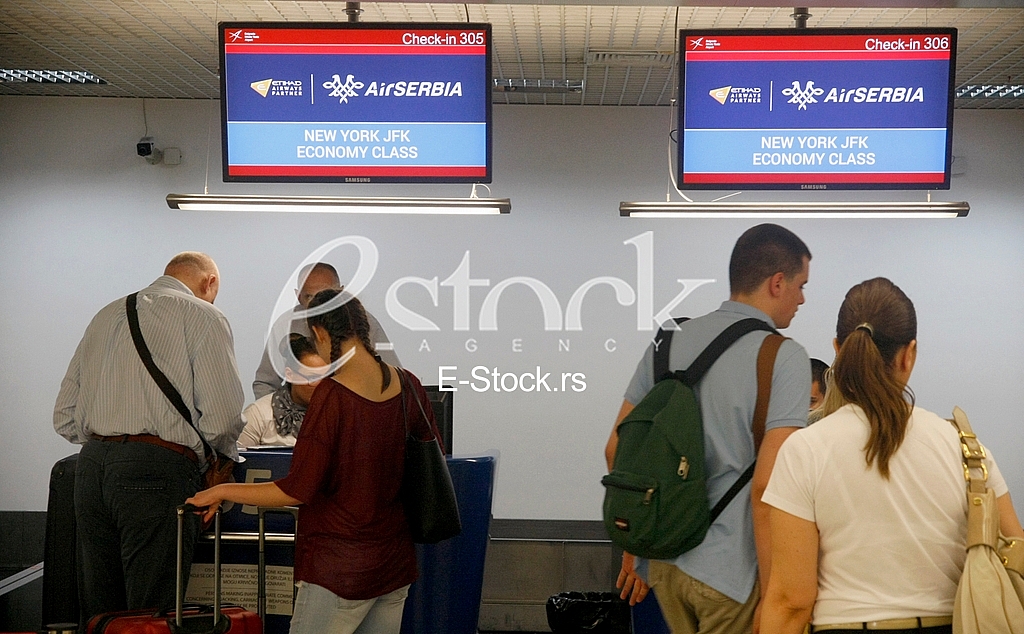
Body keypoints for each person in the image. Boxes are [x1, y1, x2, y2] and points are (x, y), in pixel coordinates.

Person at [760, 277, 1024, 634]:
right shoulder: (966, 449)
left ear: (838, 349)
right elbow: (1016, 556)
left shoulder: (804, 450)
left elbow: (793, 600)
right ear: (909, 354)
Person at [188, 289, 440, 634]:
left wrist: (222, 490)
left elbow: (297, 489)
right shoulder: (408, 384)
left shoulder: (332, 397)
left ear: (321, 333)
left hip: (338, 569)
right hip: (394, 565)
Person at [606, 224, 813, 634]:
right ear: (777, 283)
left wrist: (636, 549)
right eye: (801, 285)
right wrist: (773, 594)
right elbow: (767, 486)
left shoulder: (669, 339)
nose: (803, 299)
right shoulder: (784, 357)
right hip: (730, 572)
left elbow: (617, 447)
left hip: (667, 565)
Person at [53, 252, 245, 622]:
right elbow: (222, 417)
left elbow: (64, 416)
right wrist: (213, 463)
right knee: (152, 612)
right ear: (210, 284)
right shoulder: (204, 316)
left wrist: (112, 436)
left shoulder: (106, 315)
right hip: (158, 472)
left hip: (90, 470)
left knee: (101, 613)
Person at [253, 262, 400, 399]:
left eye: (327, 297)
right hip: (297, 420)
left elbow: (395, 377)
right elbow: (265, 384)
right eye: (310, 297)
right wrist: (276, 420)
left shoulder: (363, 321)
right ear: (298, 297)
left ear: (341, 292)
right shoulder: (284, 325)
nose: (319, 306)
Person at [238, 334, 329, 448]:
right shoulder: (258, 414)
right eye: (313, 378)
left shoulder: (341, 414)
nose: (322, 386)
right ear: (290, 375)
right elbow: (237, 459)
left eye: (327, 378)